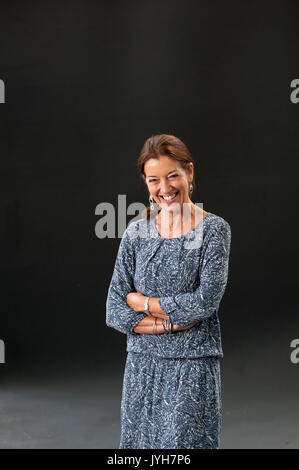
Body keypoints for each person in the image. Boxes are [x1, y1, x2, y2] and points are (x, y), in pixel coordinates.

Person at [106, 134, 231, 449]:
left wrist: (143, 302)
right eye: (154, 180)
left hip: (191, 365)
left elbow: (204, 303)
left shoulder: (215, 230)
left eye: (172, 175)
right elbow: (115, 309)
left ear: (189, 171)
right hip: (141, 366)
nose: (165, 188)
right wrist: (170, 323)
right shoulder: (136, 233)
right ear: (146, 183)